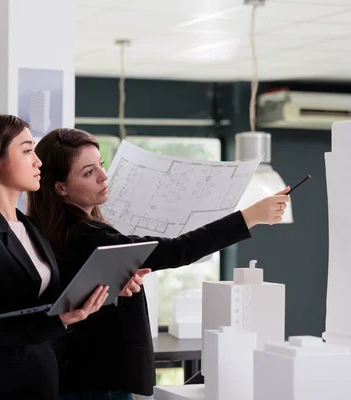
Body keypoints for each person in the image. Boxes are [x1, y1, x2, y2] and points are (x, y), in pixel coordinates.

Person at [27, 128, 291, 400]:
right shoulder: (90, 238)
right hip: (98, 381)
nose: (103, 176)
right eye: (88, 172)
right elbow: (179, 250)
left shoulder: (50, 232)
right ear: (60, 187)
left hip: (77, 374)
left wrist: (116, 284)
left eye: (101, 165)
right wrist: (250, 216)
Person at [0, 115, 110, 400]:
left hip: (41, 380)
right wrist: (57, 322)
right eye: (27, 150)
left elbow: (41, 299)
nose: (38, 161)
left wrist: (103, 283)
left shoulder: (29, 226)